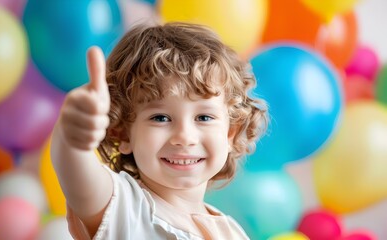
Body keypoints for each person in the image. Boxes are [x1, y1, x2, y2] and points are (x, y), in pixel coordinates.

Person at [50, 22, 268, 240]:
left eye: (204, 117)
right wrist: (71, 138)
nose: (184, 137)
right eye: (160, 118)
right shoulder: (124, 207)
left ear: (230, 133)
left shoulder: (232, 232)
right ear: (123, 133)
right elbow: (75, 172)